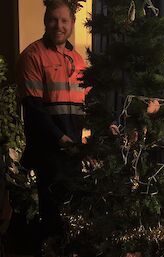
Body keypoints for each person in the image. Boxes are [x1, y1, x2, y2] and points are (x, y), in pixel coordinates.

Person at [17, 0, 89, 255]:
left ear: (72, 24)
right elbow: (34, 109)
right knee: (53, 216)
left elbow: (86, 104)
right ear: (45, 21)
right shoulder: (32, 55)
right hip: (48, 151)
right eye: (53, 20)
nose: (59, 25)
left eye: (64, 21)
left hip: (73, 150)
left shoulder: (77, 59)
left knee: (74, 213)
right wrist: (61, 139)